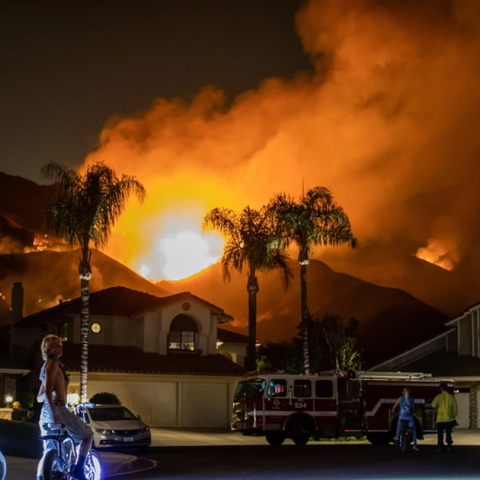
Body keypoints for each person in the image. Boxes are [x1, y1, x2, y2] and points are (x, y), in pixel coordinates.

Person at [36, 334, 94, 480]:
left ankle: (41, 476)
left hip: (46, 411)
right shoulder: (53, 364)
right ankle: (78, 470)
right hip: (58, 408)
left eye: (61, 345)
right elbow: (48, 391)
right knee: (88, 435)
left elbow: (39, 397)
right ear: (50, 349)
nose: (61, 347)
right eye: (57, 345)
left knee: (50, 449)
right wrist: (54, 413)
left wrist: (51, 394)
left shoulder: (45, 367)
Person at [432, 382, 458, 452]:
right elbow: (455, 408)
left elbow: (433, 405)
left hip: (440, 419)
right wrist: (453, 415)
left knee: (440, 433)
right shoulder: (451, 397)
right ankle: (449, 446)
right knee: (448, 433)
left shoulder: (438, 397)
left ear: (441, 389)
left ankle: (440, 446)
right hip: (449, 419)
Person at [392, 387, 419, 451]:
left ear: (402, 393)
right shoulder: (412, 399)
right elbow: (412, 408)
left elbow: (394, 406)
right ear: (410, 393)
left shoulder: (400, 398)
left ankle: (397, 436)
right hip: (410, 418)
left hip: (401, 417)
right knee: (413, 430)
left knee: (399, 425)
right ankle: (415, 445)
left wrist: (393, 410)